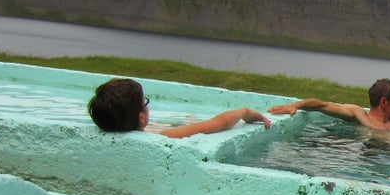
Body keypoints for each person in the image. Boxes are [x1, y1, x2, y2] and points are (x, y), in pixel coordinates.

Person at [88, 77, 271, 138]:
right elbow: (221, 122)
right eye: (145, 104)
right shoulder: (163, 137)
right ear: (141, 118)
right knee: (190, 120)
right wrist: (245, 112)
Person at [268, 78, 390, 130]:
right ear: (383, 101)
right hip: (371, 156)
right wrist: (296, 105)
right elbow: (321, 105)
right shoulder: (359, 116)